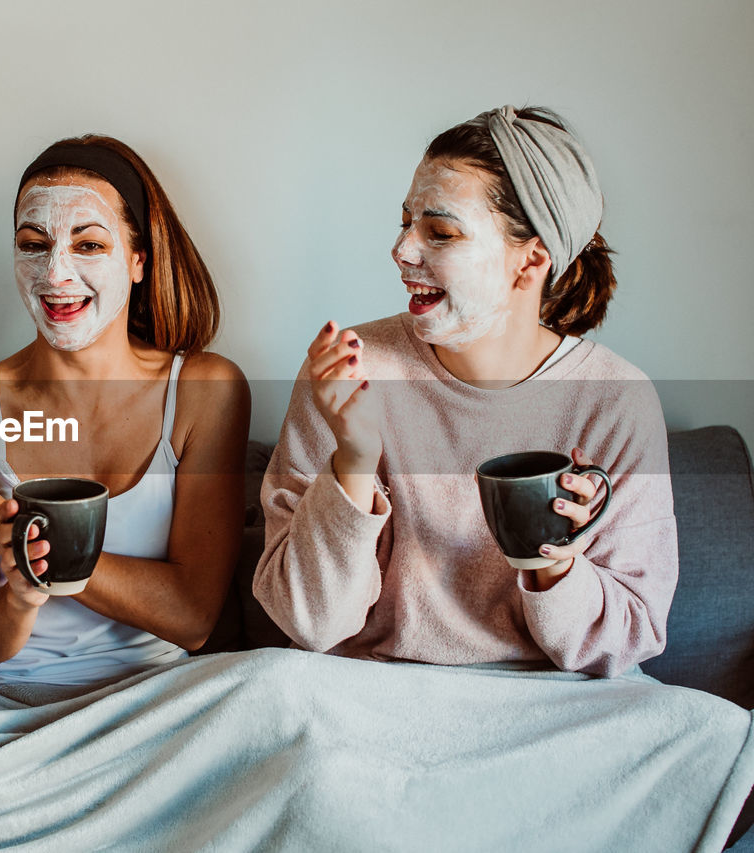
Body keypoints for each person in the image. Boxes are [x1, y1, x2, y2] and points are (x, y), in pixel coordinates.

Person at [254, 106, 678, 679]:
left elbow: (626, 641)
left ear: (529, 262)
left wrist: (551, 560)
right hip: (366, 694)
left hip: (550, 704)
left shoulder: (615, 400)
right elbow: (306, 621)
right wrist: (352, 461)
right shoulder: (349, 369)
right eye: (405, 222)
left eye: (441, 232)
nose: (401, 250)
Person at [0, 134, 250, 693]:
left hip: (145, 699)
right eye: (33, 244)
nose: (55, 274)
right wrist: (23, 592)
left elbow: (191, 619)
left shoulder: (205, 390)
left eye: (90, 245)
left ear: (138, 260)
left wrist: (22, 536)